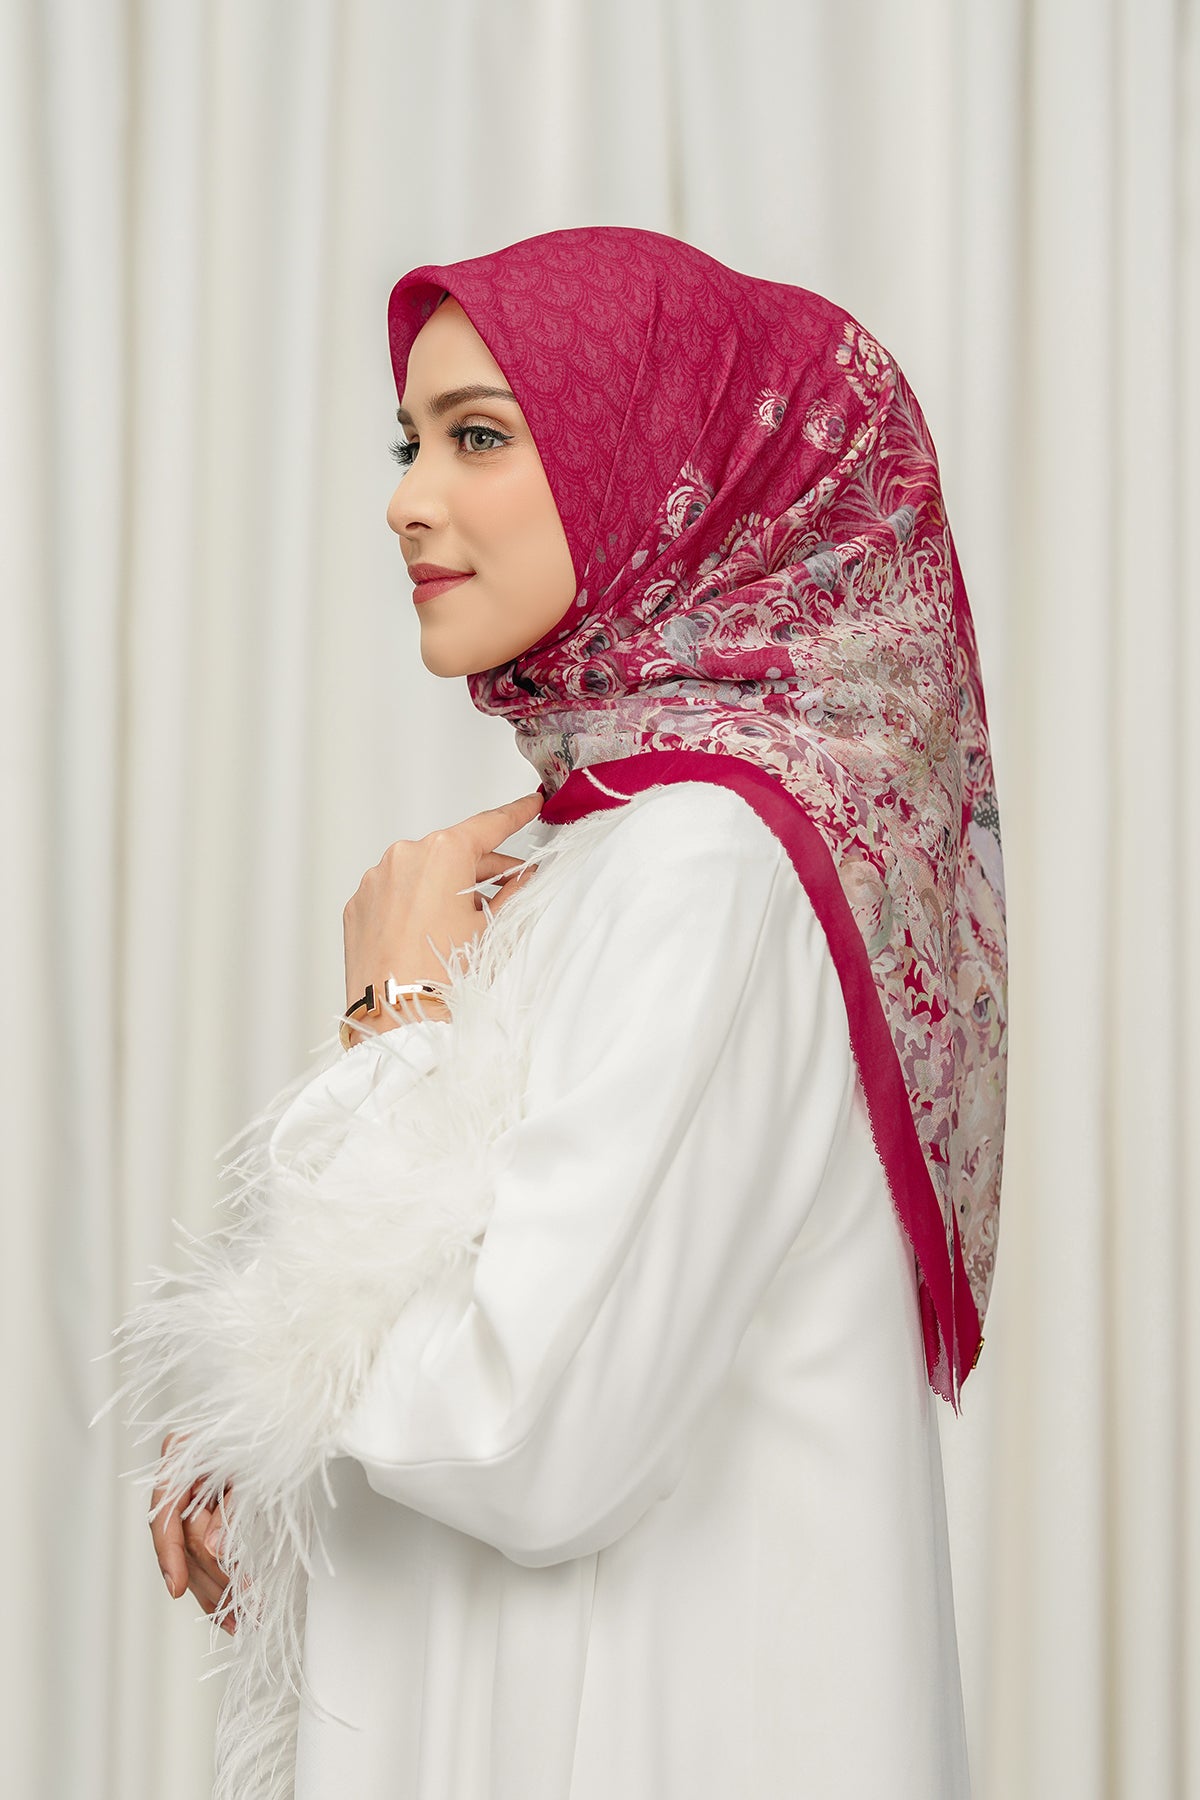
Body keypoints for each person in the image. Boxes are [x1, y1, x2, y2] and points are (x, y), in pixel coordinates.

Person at [98, 225, 1007, 1800]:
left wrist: (394, 1019)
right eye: (411, 443)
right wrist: (274, 1434)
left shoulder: (708, 861)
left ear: (664, 471)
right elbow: (501, 1309)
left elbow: (518, 1431)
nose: (406, 500)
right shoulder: (614, 844)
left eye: (479, 437)